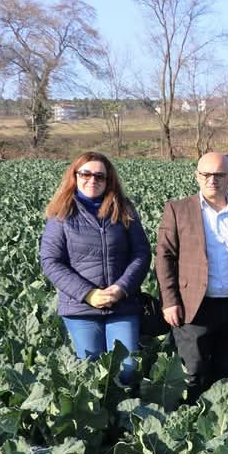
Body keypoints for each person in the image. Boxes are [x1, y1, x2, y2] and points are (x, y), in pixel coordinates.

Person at [156, 152, 228, 402]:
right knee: (194, 371)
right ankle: (190, 426)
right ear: (197, 176)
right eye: (206, 174)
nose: (212, 180)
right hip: (194, 307)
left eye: (218, 175)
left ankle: (221, 427)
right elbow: (164, 258)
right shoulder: (178, 210)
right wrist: (170, 301)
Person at [40, 151, 150, 384]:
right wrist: (88, 294)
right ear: (75, 176)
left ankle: (122, 417)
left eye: (100, 176)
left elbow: (141, 253)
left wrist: (121, 288)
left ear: (109, 180)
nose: (92, 180)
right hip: (80, 308)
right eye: (86, 174)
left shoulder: (124, 209)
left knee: (127, 369)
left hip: (122, 304)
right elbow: (51, 261)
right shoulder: (62, 213)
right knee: (91, 372)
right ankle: (97, 419)